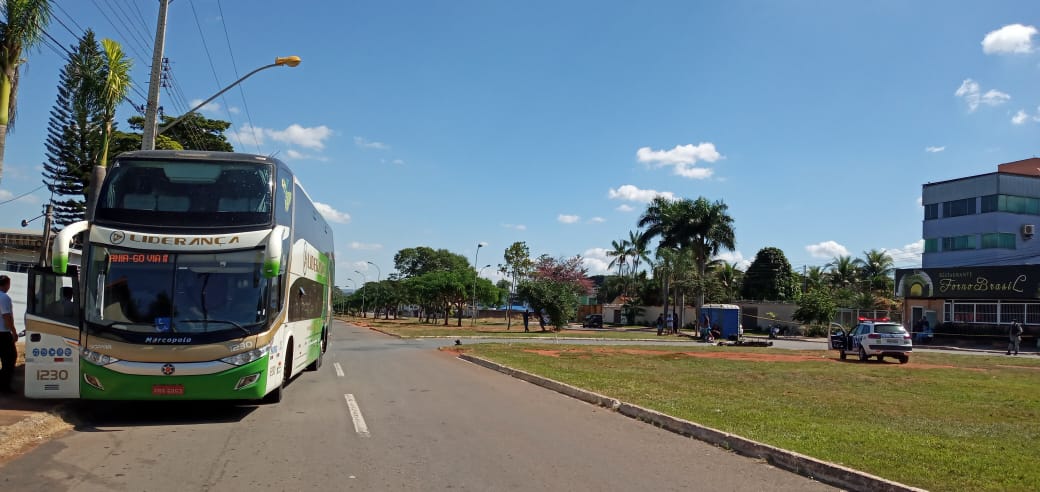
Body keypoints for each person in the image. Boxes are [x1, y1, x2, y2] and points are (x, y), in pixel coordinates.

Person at [0, 275, 17, 394]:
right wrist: (14, 332)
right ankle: (4, 387)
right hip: (3, 333)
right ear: (6, 284)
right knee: (10, 359)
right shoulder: (4, 297)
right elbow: (6, 317)